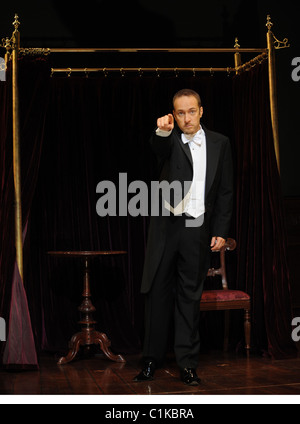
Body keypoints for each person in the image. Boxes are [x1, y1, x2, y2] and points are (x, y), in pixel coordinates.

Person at [134, 89, 233, 386]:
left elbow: (226, 191)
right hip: (167, 228)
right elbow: (157, 150)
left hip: (198, 228)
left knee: (190, 297)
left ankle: (187, 364)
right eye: (180, 113)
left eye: (192, 111)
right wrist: (162, 133)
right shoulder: (169, 139)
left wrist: (220, 231)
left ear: (201, 111)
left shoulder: (220, 143)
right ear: (173, 115)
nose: (186, 118)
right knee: (157, 295)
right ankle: (151, 361)